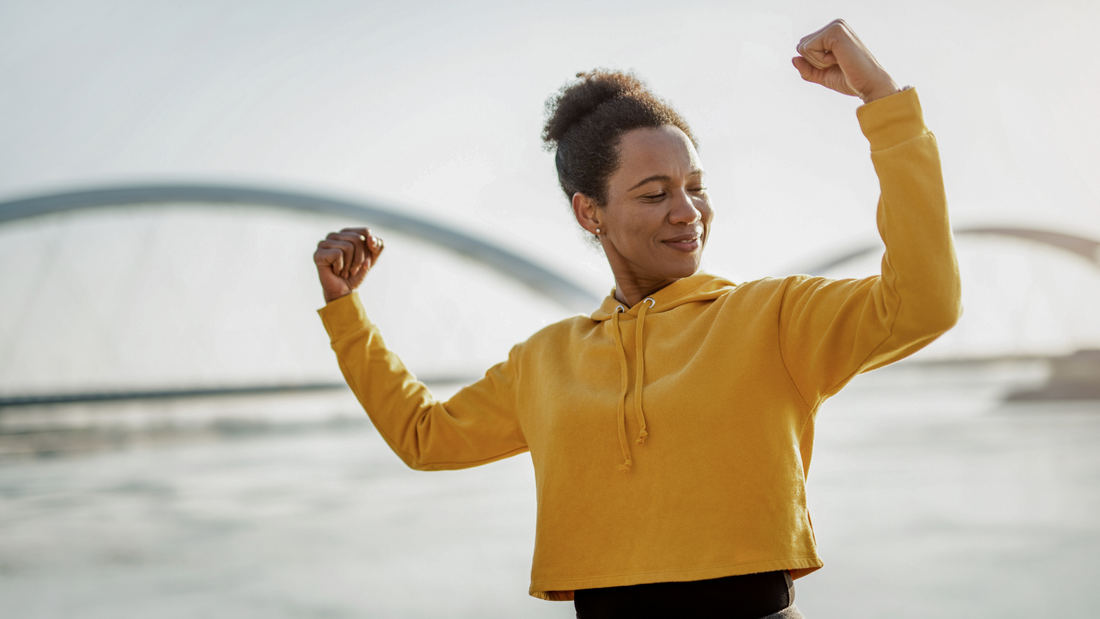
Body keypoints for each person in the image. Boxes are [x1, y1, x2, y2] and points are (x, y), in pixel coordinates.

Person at [312, 19, 960, 619]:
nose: (688, 211)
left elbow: (924, 302)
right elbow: (425, 438)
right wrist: (345, 311)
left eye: (696, 186)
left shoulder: (774, 316)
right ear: (589, 213)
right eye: (655, 193)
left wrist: (883, 102)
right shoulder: (546, 358)